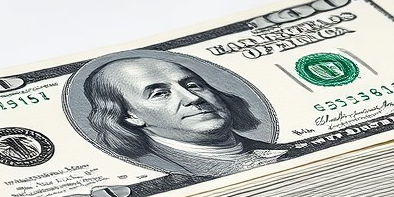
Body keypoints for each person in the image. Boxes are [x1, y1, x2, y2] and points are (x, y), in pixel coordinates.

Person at [84, 56, 285, 177]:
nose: (192, 98)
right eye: (160, 93)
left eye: (193, 85)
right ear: (130, 116)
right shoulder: (170, 175)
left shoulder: (280, 149)